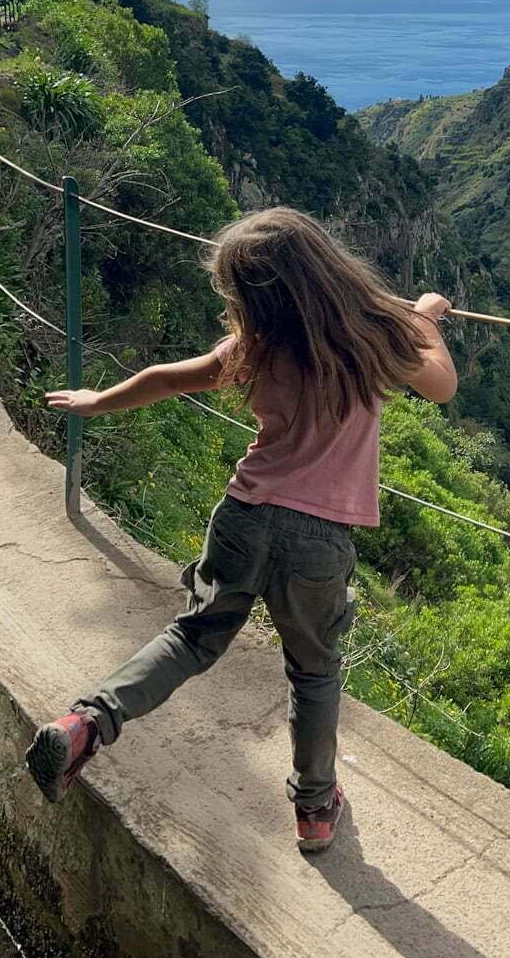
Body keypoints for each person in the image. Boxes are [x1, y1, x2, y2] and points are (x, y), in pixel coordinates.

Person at [26, 207, 457, 853]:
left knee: (193, 637)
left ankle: (86, 723)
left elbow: (170, 379)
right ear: (329, 267)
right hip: (317, 540)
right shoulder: (372, 337)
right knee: (314, 673)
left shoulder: (252, 347)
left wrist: (96, 400)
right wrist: (425, 313)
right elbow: (442, 385)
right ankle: (314, 811)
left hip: (243, 518)